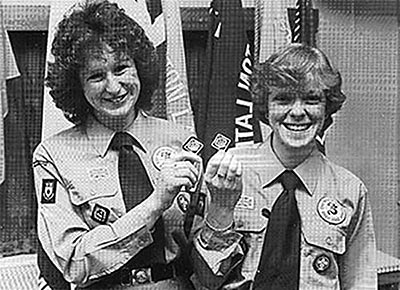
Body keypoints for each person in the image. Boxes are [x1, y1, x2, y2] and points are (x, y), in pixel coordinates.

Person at [32, 1, 242, 289]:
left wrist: (222, 209)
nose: (114, 87)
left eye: (121, 68)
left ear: (139, 67)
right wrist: (156, 203)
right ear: (76, 85)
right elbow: (72, 262)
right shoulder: (53, 155)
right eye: (96, 76)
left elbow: (211, 273)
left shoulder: (183, 142)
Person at [192, 44, 377, 289]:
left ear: (327, 108)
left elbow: (361, 282)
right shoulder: (226, 174)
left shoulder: (349, 189)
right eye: (283, 99)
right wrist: (222, 208)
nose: (298, 112)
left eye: (312, 99)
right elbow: (205, 278)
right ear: (265, 108)